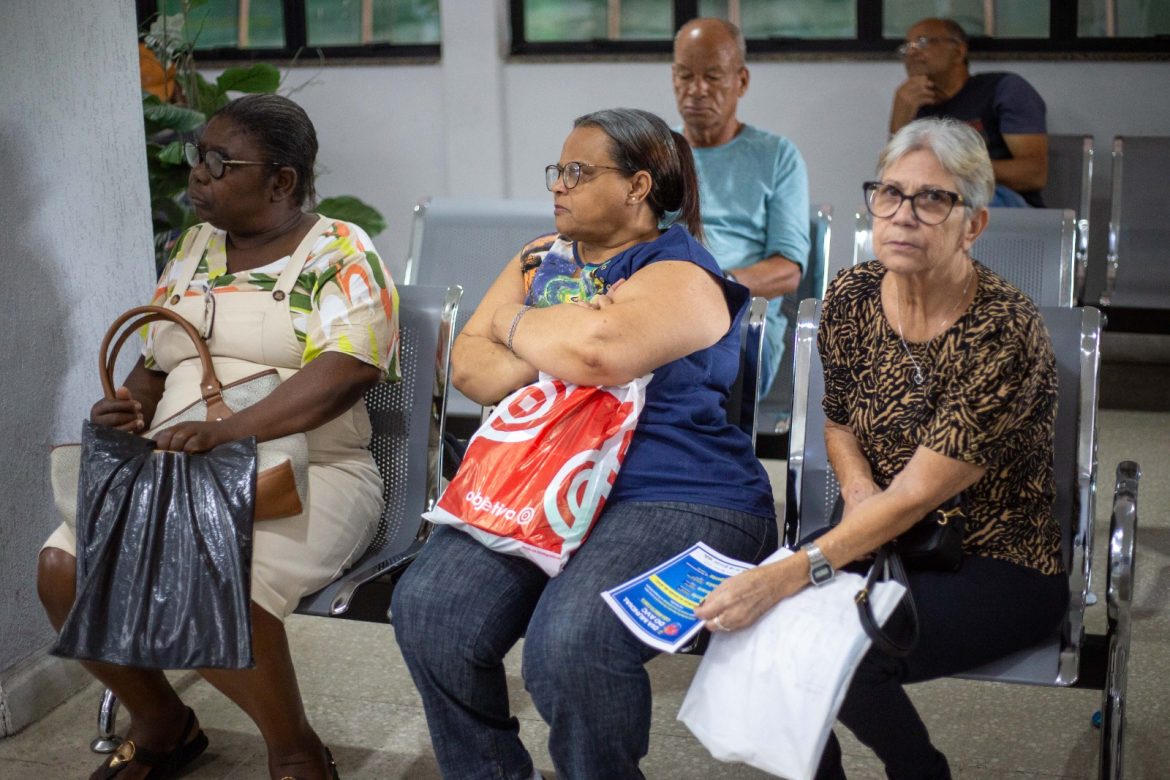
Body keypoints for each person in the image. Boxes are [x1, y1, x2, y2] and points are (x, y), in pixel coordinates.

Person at [391, 107, 777, 780]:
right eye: (558, 170)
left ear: (637, 186)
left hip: (678, 494)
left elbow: (600, 355)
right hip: (539, 484)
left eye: (578, 171)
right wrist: (562, 331)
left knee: (571, 647)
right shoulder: (538, 256)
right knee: (429, 611)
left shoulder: (683, 269)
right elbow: (473, 372)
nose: (558, 185)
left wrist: (516, 318)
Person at [37, 94, 399, 780]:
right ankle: (163, 723)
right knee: (63, 568)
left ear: (281, 181)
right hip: (177, 470)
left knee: (216, 571)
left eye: (217, 162)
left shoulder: (340, 251)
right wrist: (129, 409)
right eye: (196, 156)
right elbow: (156, 358)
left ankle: (295, 750)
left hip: (304, 475)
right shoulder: (195, 247)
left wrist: (228, 432)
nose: (196, 175)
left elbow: (345, 373)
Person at [694, 117, 1068, 779]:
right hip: (882, 533)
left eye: (932, 199)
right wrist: (859, 495)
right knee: (764, 634)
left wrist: (792, 569)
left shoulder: (1004, 328)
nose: (902, 215)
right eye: (889, 193)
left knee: (847, 650)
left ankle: (920, 770)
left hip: (993, 556)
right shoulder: (850, 294)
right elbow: (839, 423)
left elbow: (920, 494)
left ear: (973, 225)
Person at [672, 17, 810, 399]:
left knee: (672, 370)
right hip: (660, 308)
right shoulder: (658, 154)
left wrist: (717, 287)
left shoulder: (776, 156)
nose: (696, 90)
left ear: (742, 81)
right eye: (684, 75)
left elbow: (787, 271)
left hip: (740, 320)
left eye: (713, 77)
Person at [889, 17, 1048, 208]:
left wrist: (951, 170)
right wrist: (899, 121)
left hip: (1004, 206)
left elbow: (1034, 174)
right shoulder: (916, 104)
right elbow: (897, 178)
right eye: (906, 48)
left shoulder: (1003, 89)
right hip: (937, 204)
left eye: (923, 42)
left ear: (959, 51)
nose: (911, 53)